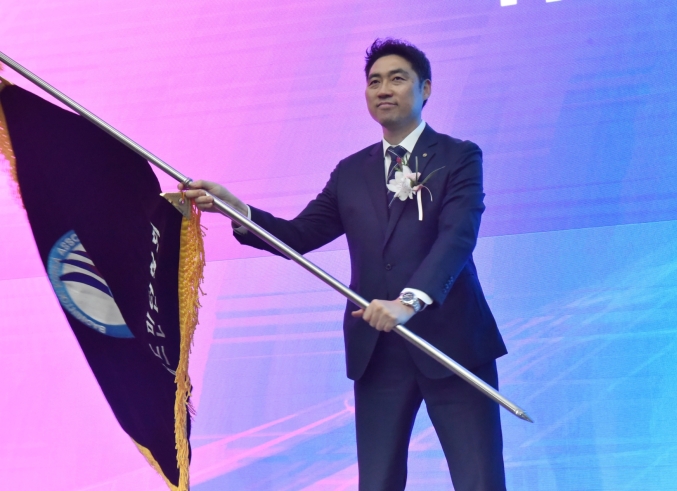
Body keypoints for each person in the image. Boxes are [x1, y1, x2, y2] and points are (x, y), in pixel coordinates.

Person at [181, 38, 509, 491]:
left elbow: (457, 237)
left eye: (397, 78)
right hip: (377, 349)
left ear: (426, 88)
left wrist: (408, 302)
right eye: (374, 81)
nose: (384, 89)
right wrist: (238, 210)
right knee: (376, 483)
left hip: (453, 343)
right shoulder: (351, 172)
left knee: (479, 481)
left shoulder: (459, 156)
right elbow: (300, 236)